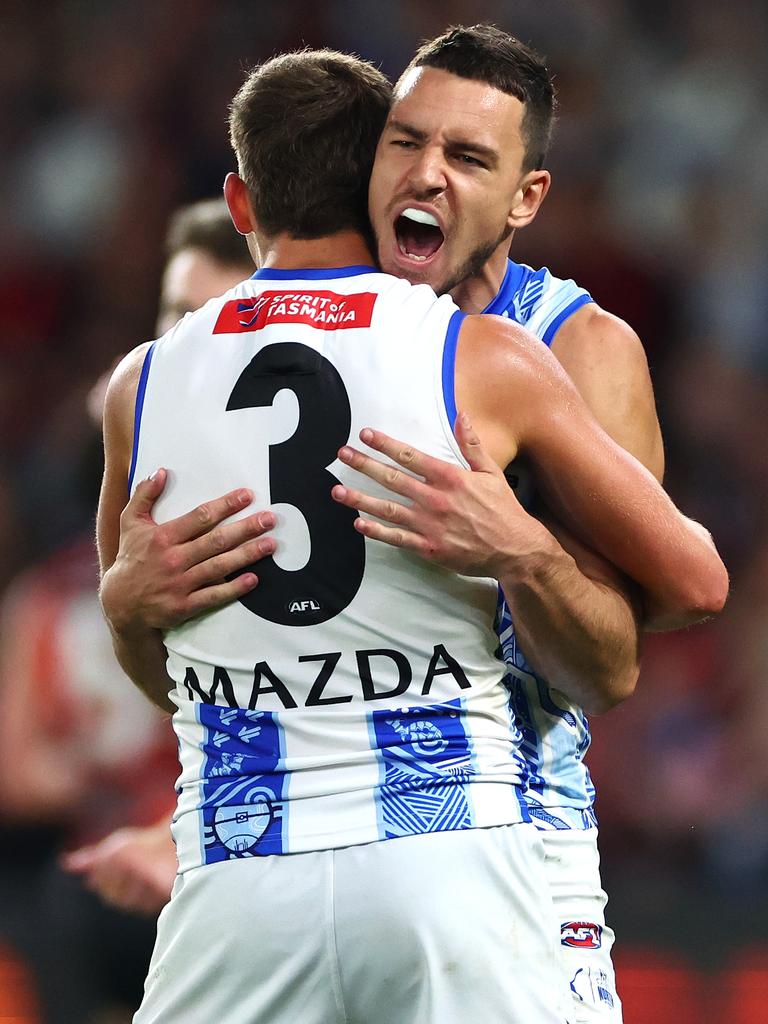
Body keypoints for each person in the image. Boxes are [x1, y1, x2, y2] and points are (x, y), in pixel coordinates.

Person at [99, 27, 729, 1024]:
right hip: (336, 845)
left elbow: (607, 671)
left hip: (524, 834)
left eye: (468, 157)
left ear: (525, 197)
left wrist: (520, 549)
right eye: (406, 142)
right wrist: (129, 608)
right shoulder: (342, 343)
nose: (426, 175)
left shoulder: (573, 347)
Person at [62, 197, 254, 917]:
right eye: (176, 318)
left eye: (216, 320)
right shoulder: (106, 457)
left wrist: (181, 839)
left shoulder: (296, 513)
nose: (189, 348)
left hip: (252, 854)